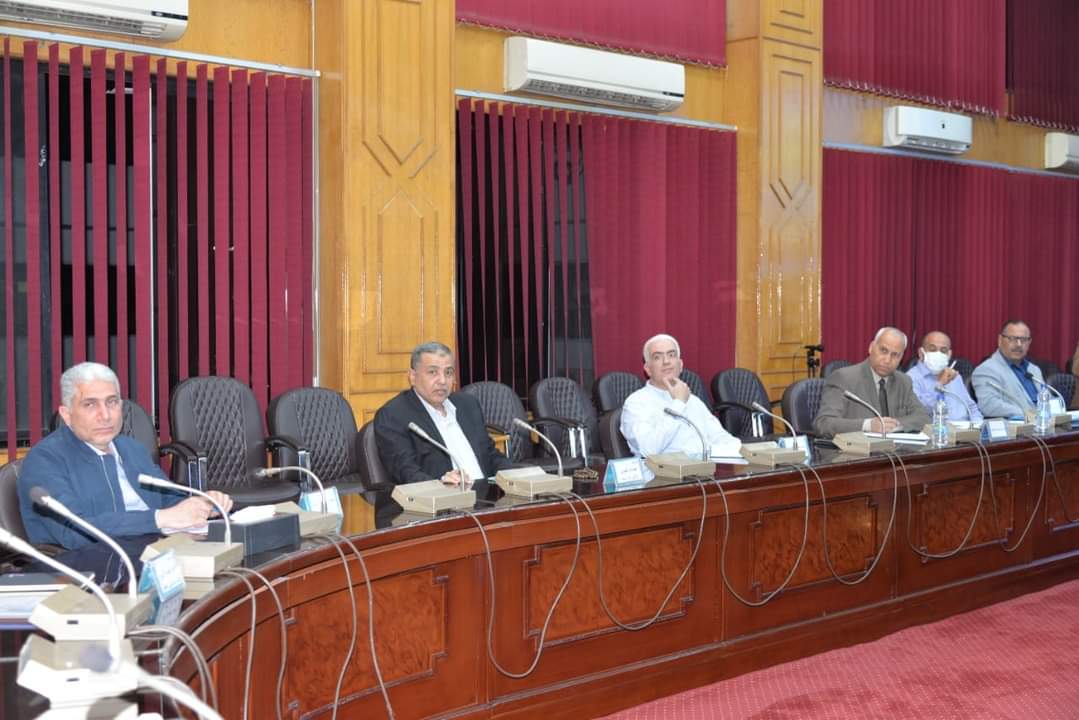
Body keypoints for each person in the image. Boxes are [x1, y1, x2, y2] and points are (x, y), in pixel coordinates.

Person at [18, 362, 234, 550]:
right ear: (67, 415)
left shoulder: (131, 448)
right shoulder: (44, 460)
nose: (105, 415)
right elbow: (74, 530)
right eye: (90, 404)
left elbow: (167, 498)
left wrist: (200, 505)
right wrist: (159, 519)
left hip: (158, 551)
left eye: (112, 402)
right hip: (93, 566)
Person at [374, 341, 513, 486]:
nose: (442, 381)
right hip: (444, 497)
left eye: (448, 372)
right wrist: (441, 483)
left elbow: (490, 454)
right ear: (413, 377)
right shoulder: (393, 415)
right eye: (432, 372)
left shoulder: (468, 405)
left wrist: (515, 475)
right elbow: (406, 472)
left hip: (489, 494)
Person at [620, 334, 739, 458]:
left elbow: (719, 436)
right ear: (648, 369)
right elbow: (649, 449)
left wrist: (743, 452)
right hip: (665, 469)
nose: (666, 362)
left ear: (680, 365)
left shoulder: (693, 400)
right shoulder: (636, 403)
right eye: (657, 357)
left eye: (671, 355)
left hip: (704, 466)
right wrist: (678, 404)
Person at [812, 327, 931, 438]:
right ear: (871, 347)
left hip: (896, 450)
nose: (887, 360)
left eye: (895, 355)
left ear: (901, 357)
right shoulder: (844, 378)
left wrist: (893, 424)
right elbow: (823, 423)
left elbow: (923, 418)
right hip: (855, 450)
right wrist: (868, 425)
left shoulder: (903, 381)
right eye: (883, 351)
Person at [972, 320, 1044, 418]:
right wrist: (1030, 414)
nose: (1019, 344)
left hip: (1044, 423)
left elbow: (1047, 399)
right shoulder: (986, 370)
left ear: (1029, 342)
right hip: (1018, 426)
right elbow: (989, 406)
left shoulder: (1034, 370)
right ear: (1000, 340)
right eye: (1012, 339)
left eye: (1023, 340)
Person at [909, 331, 982, 422]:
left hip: (965, 428)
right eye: (932, 349)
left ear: (949, 355)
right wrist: (940, 384)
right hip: (937, 429)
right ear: (921, 353)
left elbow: (971, 407)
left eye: (943, 350)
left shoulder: (954, 376)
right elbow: (921, 411)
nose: (938, 354)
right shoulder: (911, 378)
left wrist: (978, 424)